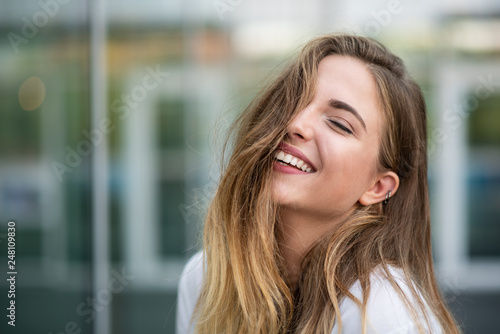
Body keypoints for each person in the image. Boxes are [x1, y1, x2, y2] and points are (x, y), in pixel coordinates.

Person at [176, 34, 460, 334]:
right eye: (292, 100)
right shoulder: (205, 278)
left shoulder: (383, 317)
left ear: (377, 187)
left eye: (339, 123)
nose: (294, 124)